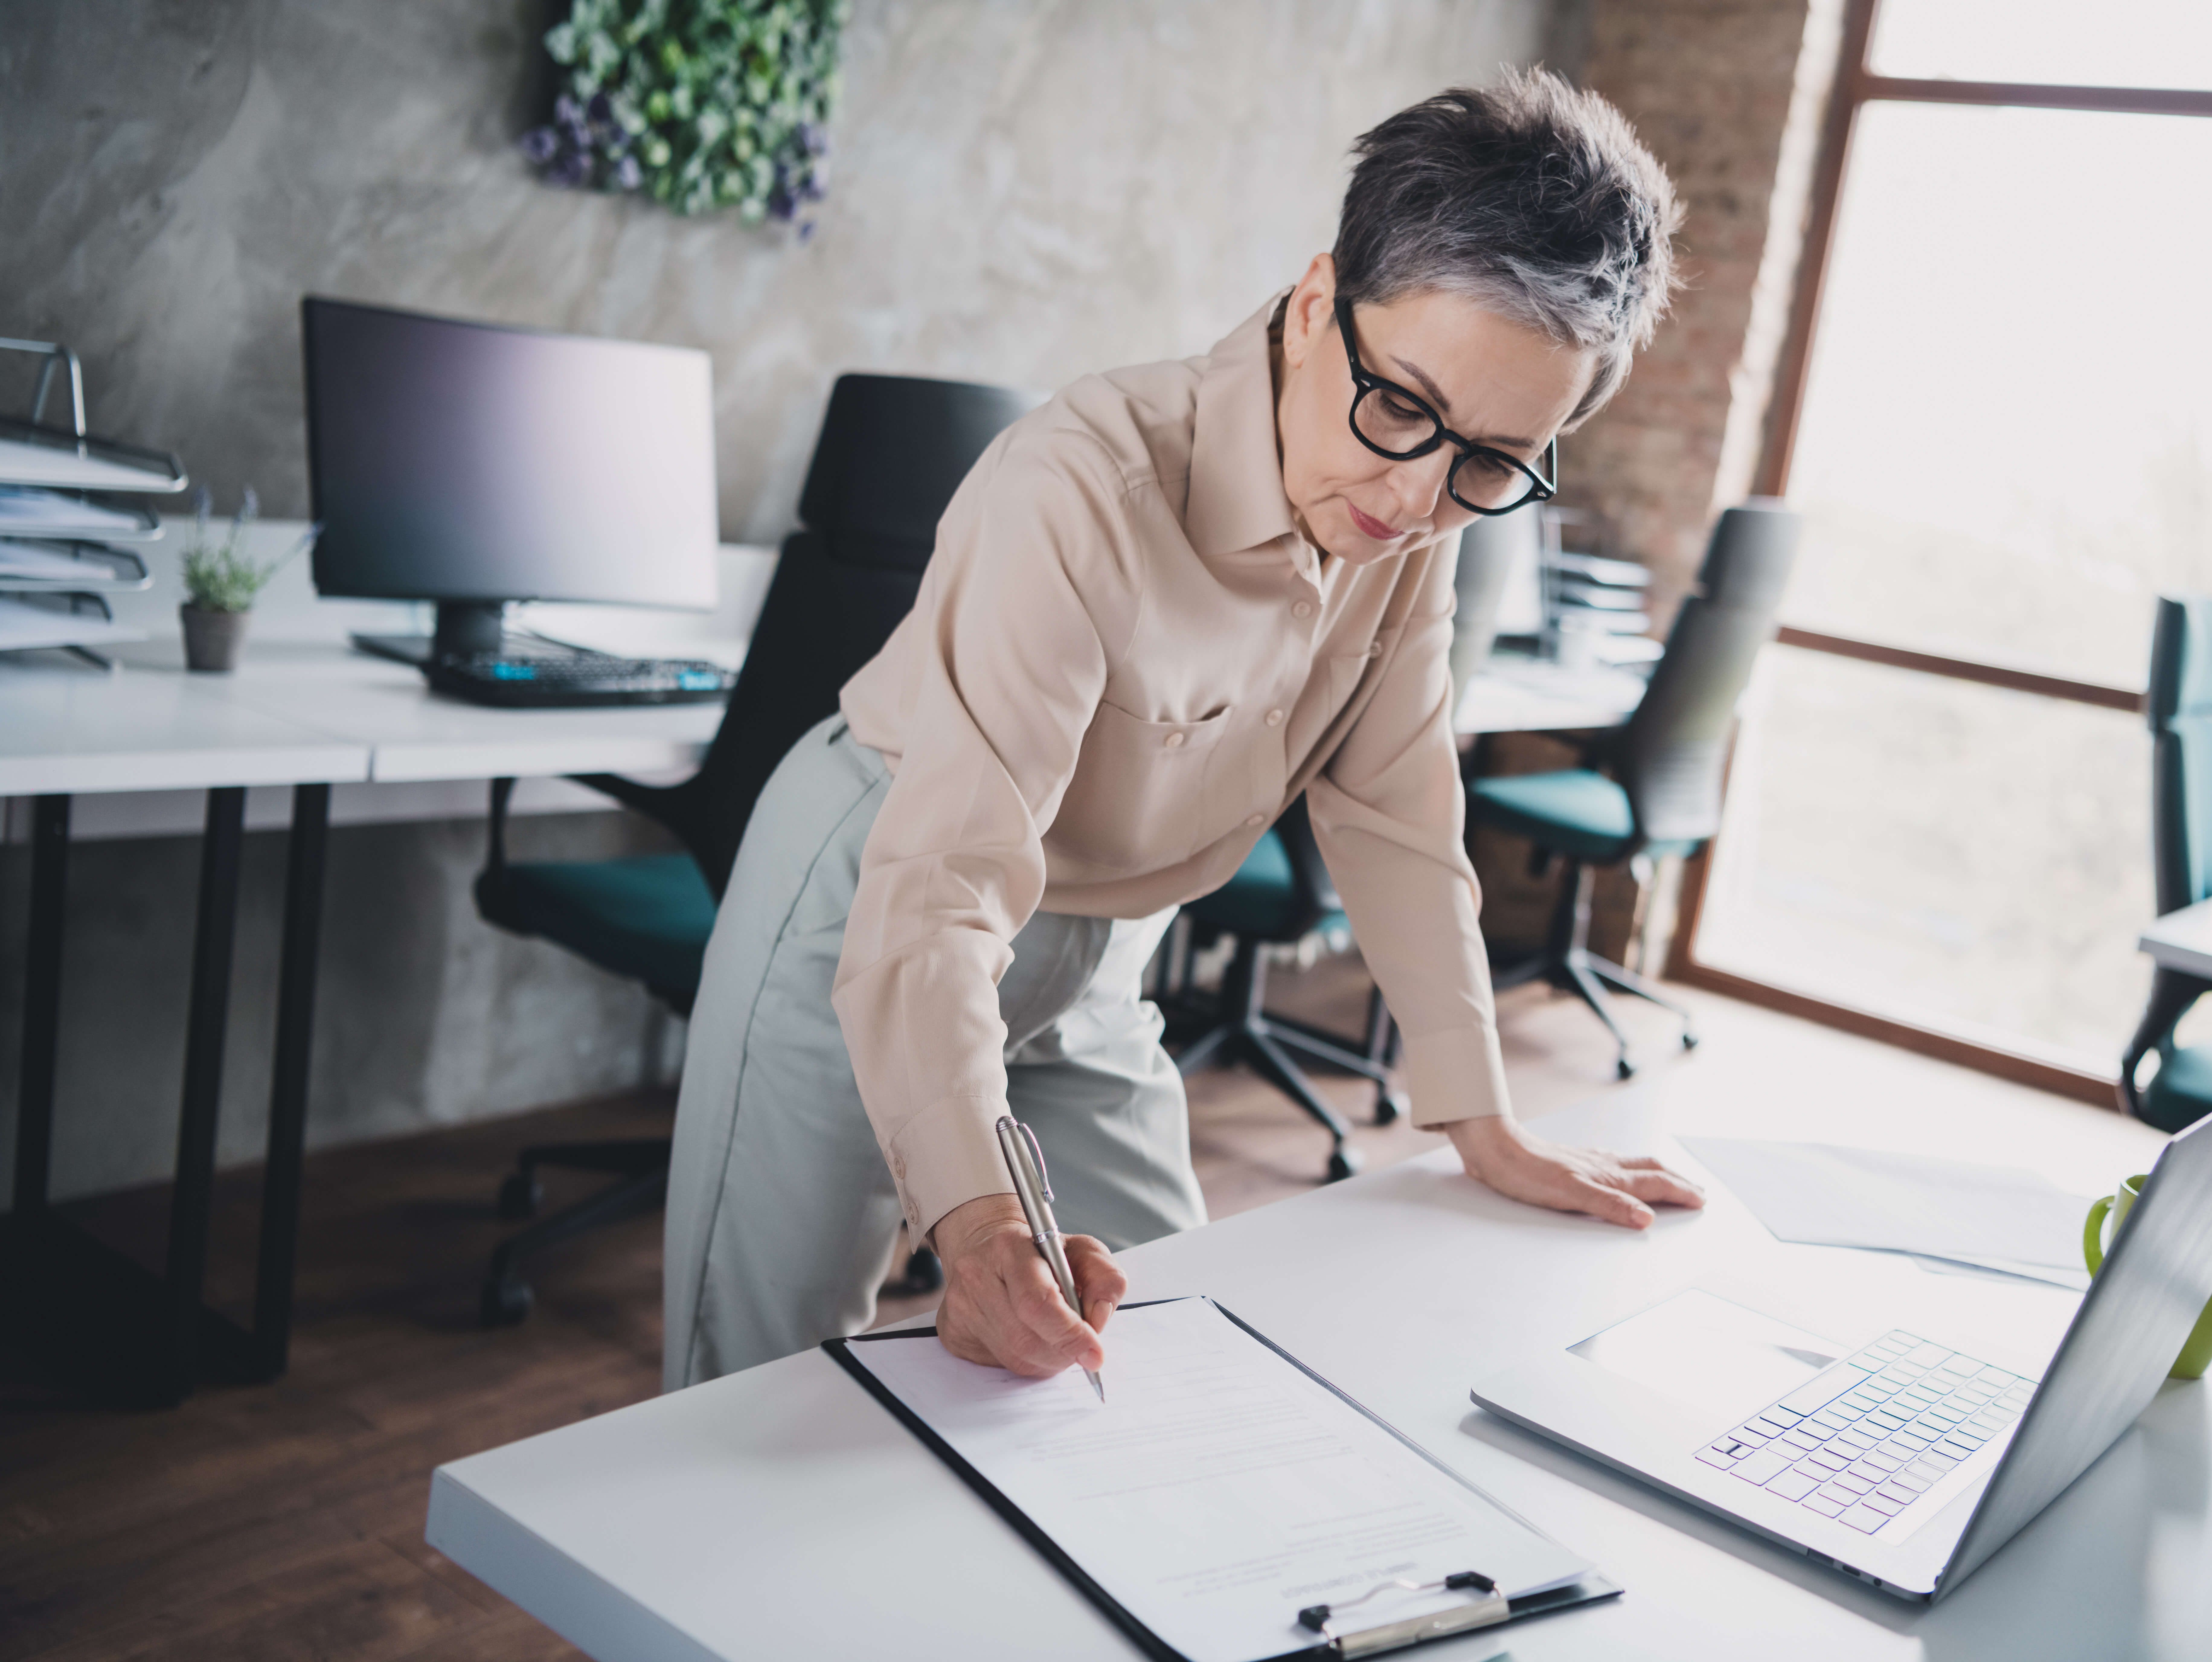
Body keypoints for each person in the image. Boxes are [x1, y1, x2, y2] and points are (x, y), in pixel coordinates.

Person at [662, 67, 1704, 1393]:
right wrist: (975, 1226)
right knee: (759, 1379)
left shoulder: (1419, 507)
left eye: (1492, 461)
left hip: (1099, 958)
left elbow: (1396, 809)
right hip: (879, 894)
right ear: (1322, 301)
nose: (1418, 490)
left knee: (1176, 1353)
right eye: (1402, 408)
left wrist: (1482, 1120)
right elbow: (942, 889)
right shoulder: (1082, 486)